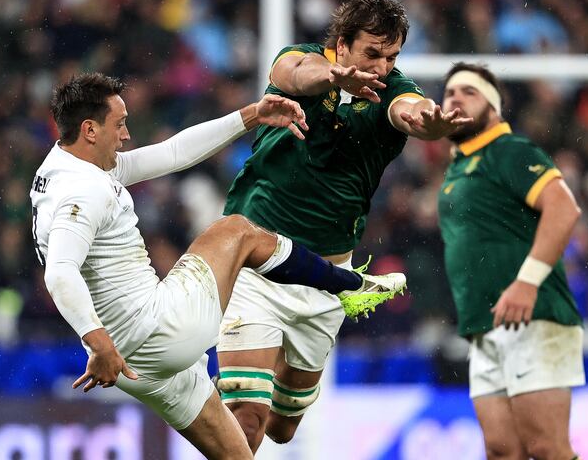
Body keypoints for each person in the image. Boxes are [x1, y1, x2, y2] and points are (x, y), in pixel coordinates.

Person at [30, 72, 407, 460]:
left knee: (238, 455)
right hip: (156, 330)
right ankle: (346, 283)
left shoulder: (68, 168)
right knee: (237, 230)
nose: (126, 135)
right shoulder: (82, 191)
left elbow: (172, 153)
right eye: (120, 124)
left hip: (135, 367)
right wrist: (98, 343)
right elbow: (59, 272)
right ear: (90, 130)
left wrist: (251, 115)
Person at [215, 0, 472, 451]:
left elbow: (407, 111)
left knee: (282, 425)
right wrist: (336, 78)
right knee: (249, 415)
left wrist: (428, 122)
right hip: (255, 269)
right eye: (372, 53)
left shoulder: (393, 89)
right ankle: (230, 381)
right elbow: (293, 73)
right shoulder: (301, 61)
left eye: (392, 56)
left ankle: (231, 381)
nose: (382, 67)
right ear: (341, 41)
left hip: (325, 280)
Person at [437, 62, 584, 460]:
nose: (455, 98)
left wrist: (527, 282)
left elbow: (564, 209)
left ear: (495, 107)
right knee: (503, 451)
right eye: (449, 92)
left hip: (533, 315)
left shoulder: (509, 151)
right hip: (486, 324)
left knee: (547, 447)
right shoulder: (458, 167)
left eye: (469, 92)